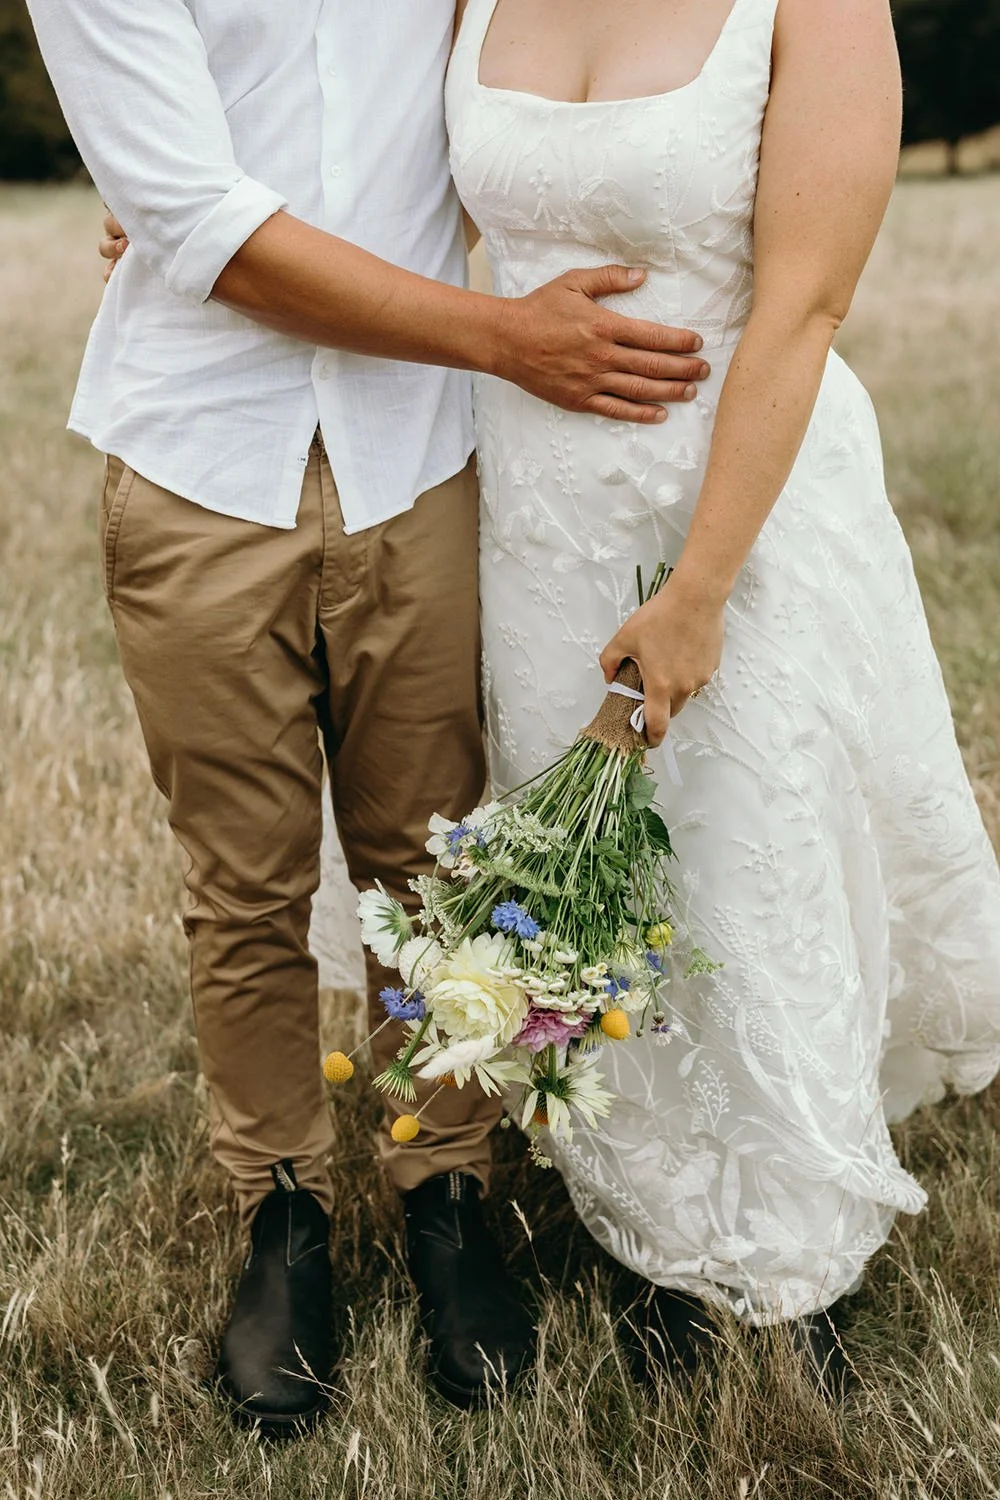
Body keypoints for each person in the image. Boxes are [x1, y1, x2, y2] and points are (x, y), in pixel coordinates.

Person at [26, 0, 715, 1431]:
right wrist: (504, 335)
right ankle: (282, 1210)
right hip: (199, 453)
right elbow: (198, 216)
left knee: (432, 858)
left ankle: (446, 1189)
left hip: (420, 454)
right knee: (247, 883)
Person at [445, 0, 1000, 1387]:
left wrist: (696, 591)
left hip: (732, 503)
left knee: (748, 858)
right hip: (529, 511)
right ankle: (642, 1210)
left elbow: (807, 301)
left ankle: (787, 1252)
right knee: (598, 859)